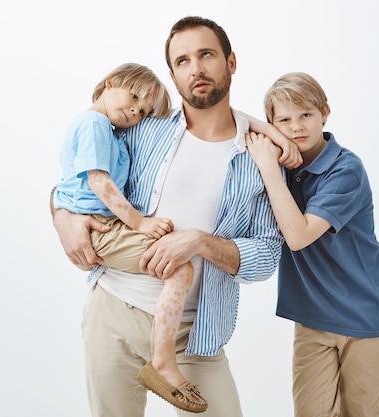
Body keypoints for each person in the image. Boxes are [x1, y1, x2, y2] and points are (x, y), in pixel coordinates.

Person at [51, 16, 301, 417]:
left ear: (231, 62)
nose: (196, 68)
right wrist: (60, 214)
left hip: (193, 332)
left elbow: (267, 257)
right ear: (172, 74)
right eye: (182, 61)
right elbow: (81, 175)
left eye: (206, 55)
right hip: (113, 313)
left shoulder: (261, 157)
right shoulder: (142, 127)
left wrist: (200, 241)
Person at [53, 62, 208, 412]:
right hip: (102, 227)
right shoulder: (94, 123)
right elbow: (99, 181)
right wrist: (139, 223)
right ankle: (164, 364)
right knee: (181, 268)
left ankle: (162, 360)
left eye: (142, 111)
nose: (134, 111)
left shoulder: (110, 130)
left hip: (103, 223)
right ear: (110, 83)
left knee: (178, 265)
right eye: (133, 97)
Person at [246, 72, 379, 417]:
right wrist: (272, 141)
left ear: (325, 113)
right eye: (283, 120)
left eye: (306, 115)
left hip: (363, 317)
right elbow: (229, 119)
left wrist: (269, 167)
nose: (296, 127)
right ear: (271, 124)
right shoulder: (285, 160)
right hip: (312, 319)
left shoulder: (346, 170)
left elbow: (298, 236)